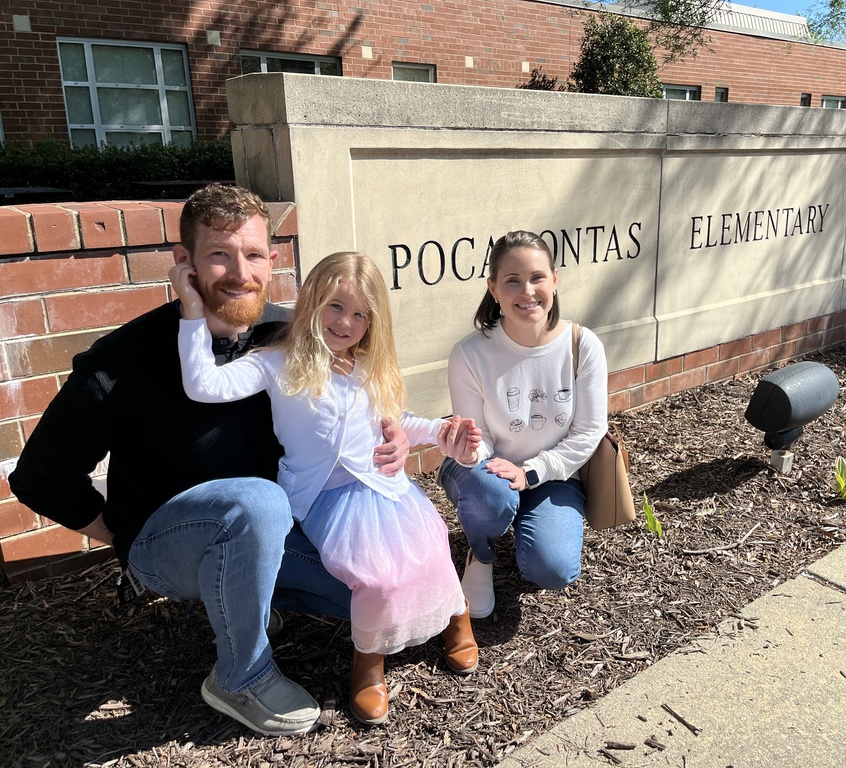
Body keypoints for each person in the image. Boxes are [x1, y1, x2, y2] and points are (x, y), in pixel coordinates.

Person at [9, 184, 413, 736]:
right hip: (171, 542)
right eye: (219, 254)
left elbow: (361, 397)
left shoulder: (289, 334)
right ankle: (240, 676)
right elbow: (40, 476)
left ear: (271, 263)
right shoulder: (123, 360)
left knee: (380, 597)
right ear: (185, 262)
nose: (238, 272)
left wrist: (395, 435)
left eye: (251, 255)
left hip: (277, 530)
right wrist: (124, 536)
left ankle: (249, 594)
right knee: (258, 501)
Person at [170, 250, 482, 726]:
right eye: (335, 306)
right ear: (312, 300)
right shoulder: (276, 362)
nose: (346, 323)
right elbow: (202, 385)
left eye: (360, 314)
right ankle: (369, 663)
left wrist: (442, 435)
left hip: (386, 489)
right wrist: (192, 310)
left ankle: (456, 618)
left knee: (435, 545)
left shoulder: (366, 366)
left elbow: (397, 422)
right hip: (326, 498)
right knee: (375, 575)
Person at [438, 230, 609, 619]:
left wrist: (532, 472)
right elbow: (475, 437)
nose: (527, 290)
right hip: (488, 472)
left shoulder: (583, 345)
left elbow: (588, 432)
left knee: (552, 570)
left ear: (555, 279)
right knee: (493, 496)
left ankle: (521, 521)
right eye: (512, 280)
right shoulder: (469, 354)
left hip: (552, 476)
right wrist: (469, 451)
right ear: (493, 289)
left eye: (536, 277)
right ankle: (481, 554)